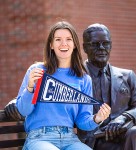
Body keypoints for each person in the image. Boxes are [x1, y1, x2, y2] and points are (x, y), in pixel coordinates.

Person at [5, 21, 111, 150]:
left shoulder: (83, 79)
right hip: (39, 138)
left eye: (68, 39)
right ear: (51, 45)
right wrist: (30, 88)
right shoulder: (37, 70)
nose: (64, 44)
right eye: (58, 39)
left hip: (70, 139)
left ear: (74, 45)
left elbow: (82, 121)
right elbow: (23, 110)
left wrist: (97, 118)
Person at [77, 23, 136, 150]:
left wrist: (123, 118)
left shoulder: (128, 76)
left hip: (125, 135)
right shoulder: (76, 77)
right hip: (94, 141)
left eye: (105, 43)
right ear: (85, 48)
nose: (101, 48)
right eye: (95, 44)